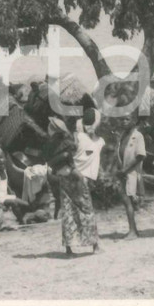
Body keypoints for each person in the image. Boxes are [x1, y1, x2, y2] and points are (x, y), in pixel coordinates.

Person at [56, 108, 104, 255]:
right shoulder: (100, 142)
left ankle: (69, 249)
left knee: (68, 211)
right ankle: (95, 246)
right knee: (87, 210)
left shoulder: (76, 137)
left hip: (66, 176)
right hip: (81, 179)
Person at [115, 113, 147, 239]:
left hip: (132, 172)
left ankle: (133, 231)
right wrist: (120, 170)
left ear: (133, 121)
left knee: (129, 200)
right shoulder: (123, 136)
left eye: (127, 119)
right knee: (126, 200)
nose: (124, 122)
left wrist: (125, 169)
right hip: (124, 173)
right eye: (122, 119)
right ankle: (133, 229)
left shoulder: (138, 136)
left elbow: (140, 155)